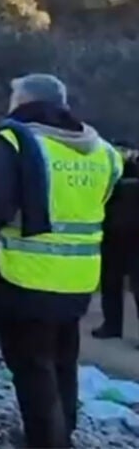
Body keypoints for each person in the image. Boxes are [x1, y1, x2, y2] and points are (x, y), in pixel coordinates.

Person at [0, 74, 120, 448]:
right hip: (79, 281)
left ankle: (45, 443)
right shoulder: (101, 150)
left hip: (26, 280)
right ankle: (61, 435)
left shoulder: (13, 144)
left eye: (12, 98)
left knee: (32, 370)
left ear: (24, 102)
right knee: (61, 364)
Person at [92, 141, 139, 341]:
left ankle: (112, 325)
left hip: (121, 232)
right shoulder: (107, 169)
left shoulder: (108, 167)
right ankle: (111, 325)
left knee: (119, 282)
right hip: (114, 232)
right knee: (111, 282)